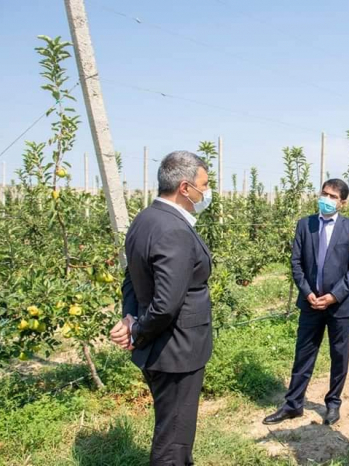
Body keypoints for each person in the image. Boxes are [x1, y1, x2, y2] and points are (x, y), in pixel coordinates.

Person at [110, 150, 213, 466]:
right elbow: (167, 304)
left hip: (162, 347)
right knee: (173, 441)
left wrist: (130, 318)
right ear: (185, 187)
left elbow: (132, 277)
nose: (207, 192)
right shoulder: (174, 230)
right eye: (204, 184)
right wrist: (137, 331)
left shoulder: (145, 219)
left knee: (172, 428)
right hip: (177, 351)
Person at [263, 179, 349, 427]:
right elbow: (296, 264)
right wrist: (307, 292)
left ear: (343, 203)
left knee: (339, 355)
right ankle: (293, 404)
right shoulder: (305, 225)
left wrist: (334, 296)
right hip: (310, 303)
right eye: (324, 194)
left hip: (339, 306)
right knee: (303, 353)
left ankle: (333, 404)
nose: (326, 199)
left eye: (332, 196)